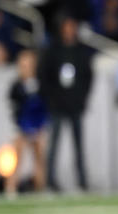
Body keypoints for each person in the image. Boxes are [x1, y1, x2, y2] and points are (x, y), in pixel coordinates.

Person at [40, 15, 93, 192]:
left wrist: (82, 99)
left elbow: (88, 78)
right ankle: (50, 180)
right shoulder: (53, 50)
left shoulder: (81, 51)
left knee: (79, 145)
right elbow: (45, 77)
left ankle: (82, 180)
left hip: (75, 105)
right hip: (57, 105)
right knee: (54, 144)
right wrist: (51, 99)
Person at [6, 49, 48, 196]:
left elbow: (45, 104)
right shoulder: (16, 86)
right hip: (22, 125)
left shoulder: (41, 83)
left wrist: (41, 125)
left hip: (38, 125)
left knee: (39, 159)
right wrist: (19, 125)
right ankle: (11, 188)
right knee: (17, 159)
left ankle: (40, 188)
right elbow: (14, 107)